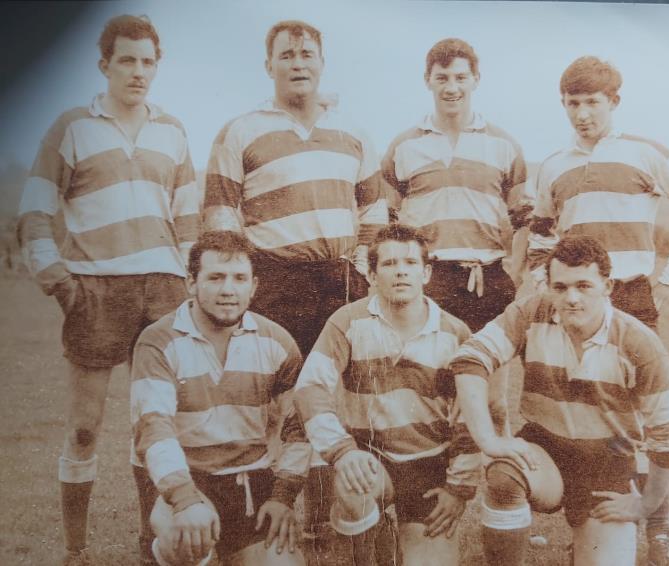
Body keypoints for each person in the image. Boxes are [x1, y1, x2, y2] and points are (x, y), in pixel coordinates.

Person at [16, 14, 198, 565]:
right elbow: (35, 209)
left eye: (148, 61)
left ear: (156, 66)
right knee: (85, 429)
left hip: (163, 290)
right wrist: (61, 283)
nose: (138, 72)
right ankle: (77, 550)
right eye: (127, 60)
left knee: (156, 422)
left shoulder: (172, 129)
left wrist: (186, 278)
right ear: (105, 66)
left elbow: (188, 216)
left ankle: (152, 545)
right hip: (94, 291)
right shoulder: (73, 126)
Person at [526, 56, 669, 565]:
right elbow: (542, 234)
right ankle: (585, 522)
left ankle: (658, 529)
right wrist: (538, 283)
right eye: (573, 103)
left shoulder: (645, 153)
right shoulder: (554, 164)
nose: (582, 113)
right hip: (572, 300)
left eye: (592, 102)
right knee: (582, 412)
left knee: (637, 417)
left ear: (613, 101)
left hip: (629, 296)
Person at [202, 20, 389, 536]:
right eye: (286, 55)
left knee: (326, 395)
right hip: (275, 277)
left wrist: (364, 268)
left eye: (307, 54)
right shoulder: (241, 130)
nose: (298, 63)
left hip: (338, 279)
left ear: (322, 63)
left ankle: (327, 522)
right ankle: (270, 517)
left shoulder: (353, 133)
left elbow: (373, 212)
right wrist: (238, 285)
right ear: (269, 66)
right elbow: (221, 215)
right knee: (275, 399)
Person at [451, 235, 669, 566]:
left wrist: (646, 504)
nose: (572, 298)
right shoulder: (531, 312)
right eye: (560, 287)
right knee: (504, 475)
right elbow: (470, 359)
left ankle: (585, 546)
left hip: (608, 462)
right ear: (548, 286)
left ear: (607, 286)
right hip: (546, 448)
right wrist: (488, 440)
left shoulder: (639, 343)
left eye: (584, 286)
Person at [294, 225, 481, 566]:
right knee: (354, 490)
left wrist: (459, 489)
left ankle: (401, 537)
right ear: (370, 273)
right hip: (369, 458)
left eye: (410, 262)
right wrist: (343, 452)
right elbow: (310, 388)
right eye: (389, 263)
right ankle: (375, 545)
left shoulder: (455, 333)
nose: (400, 271)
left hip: (428, 466)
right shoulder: (348, 322)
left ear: (426, 273)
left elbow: (473, 415)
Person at [131, 231, 311, 566]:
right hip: (188, 479)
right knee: (185, 543)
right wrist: (184, 499)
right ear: (191, 283)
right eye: (215, 277)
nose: (228, 289)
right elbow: (153, 427)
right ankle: (158, 553)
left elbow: (298, 429)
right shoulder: (157, 341)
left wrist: (282, 496)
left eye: (239, 278)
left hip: (250, 483)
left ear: (253, 286)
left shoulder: (277, 341)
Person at [382, 37, 530, 334]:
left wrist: (515, 271)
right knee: (428, 373)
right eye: (442, 78)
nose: (451, 88)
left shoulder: (503, 145)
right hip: (428, 278)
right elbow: (386, 219)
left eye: (461, 78)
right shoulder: (404, 146)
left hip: (486, 278)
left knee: (486, 370)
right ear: (428, 81)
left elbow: (523, 219)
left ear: (476, 80)